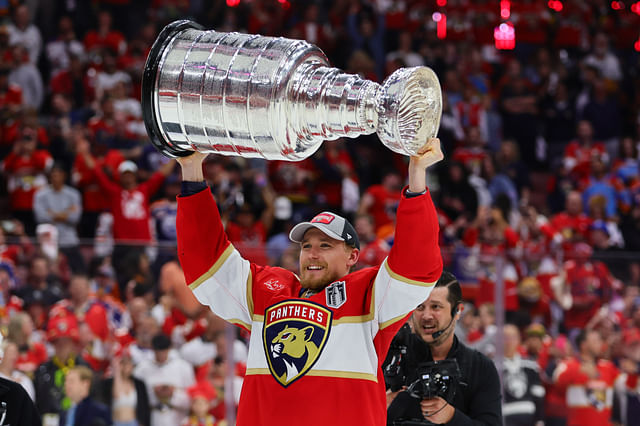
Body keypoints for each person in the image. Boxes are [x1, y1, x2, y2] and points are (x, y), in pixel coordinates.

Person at [175, 137, 444, 425]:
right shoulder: (266, 289)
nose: (312, 254)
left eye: (325, 246)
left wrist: (417, 176)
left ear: (353, 256)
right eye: (306, 246)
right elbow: (208, 266)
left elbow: (416, 267)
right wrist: (192, 171)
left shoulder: (369, 295)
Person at [384, 271, 502, 425]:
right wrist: (378, 406)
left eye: (435, 307)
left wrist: (452, 417)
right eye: (420, 307)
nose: (426, 315)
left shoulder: (480, 367)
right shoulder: (390, 356)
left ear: (458, 311)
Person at [552, 329, 619, 426]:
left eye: (600, 340)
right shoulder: (569, 365)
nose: (600, 343)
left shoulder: (608, 367)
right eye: (595, 341)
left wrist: (634, 369)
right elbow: (558, 385)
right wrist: (579, 371)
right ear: (584, 345)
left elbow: (628, 387)